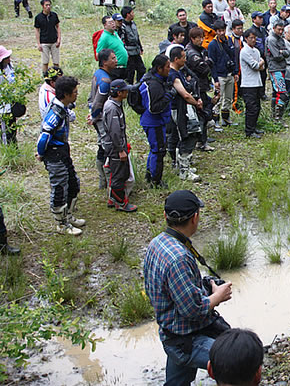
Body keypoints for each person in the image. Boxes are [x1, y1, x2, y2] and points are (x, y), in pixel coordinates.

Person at [143, 190, 234, 386]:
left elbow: (168, 290)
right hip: (186, 339)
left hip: (171, 331)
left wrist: (205, 286)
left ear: (165, 216)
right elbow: (193, 310)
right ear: (195, 217)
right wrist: (217, 296)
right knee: (235, 362)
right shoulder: (179, 257)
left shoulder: (157, 243)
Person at [36, 76, 86, 236]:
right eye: (74, 92)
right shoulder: (55, 113)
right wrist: (41, 153)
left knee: (73, 182)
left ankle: (69, 216)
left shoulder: (63, 107)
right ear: (65, 94)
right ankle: (61, 224)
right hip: (54, 154)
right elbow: (44, 136)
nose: (77, 94)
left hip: (63, 150)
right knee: (59, 187)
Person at [167, 46, 203, 182]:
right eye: (183, 57)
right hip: (180, 110)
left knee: (180, 137)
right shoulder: (173, 75)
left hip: (183, 109)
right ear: (176, 59)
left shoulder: (179, 72)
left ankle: (181, 166)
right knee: (189, 137)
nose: (185, 59)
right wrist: (196, 103)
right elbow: (185, 95)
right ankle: (184, 170)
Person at [102, 79, 137, 212]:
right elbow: (115, 132)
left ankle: (113, 198)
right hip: (115, 147)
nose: (127, 92)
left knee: (118, 172)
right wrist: (120, 150)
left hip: (114, 146)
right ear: (119, 92)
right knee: (119, 174)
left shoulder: (114, 104)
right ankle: (121, 203)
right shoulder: (112, 108)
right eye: (125, 90)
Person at [139, 55, 173, 188]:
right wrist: (169, 96)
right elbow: (154, 108)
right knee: (158, 151)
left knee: (155, 149)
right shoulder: (154, 85)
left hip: (154, 122)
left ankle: (150, 175)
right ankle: (155, 181)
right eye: (167, 67)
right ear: (159, 68)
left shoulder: (155, 79)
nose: (169, 69)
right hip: (154, 122)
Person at [88, 48, 116, 188]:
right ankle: (106, 177)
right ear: (104, 62)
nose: (115, 61)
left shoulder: (98, 74)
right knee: (106, 146)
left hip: (97, 115)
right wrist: (94, 115)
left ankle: (103, 180)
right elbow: (98, 101)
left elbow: (91, 97)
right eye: (112, 58)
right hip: (101, 118)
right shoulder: (105, 80)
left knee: (101, 146)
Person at [185, 27, 216, 152]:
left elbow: (208, 64)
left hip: (202, 85)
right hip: (196, 87)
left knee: (205, 109)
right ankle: (201, 142)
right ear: (192, 39)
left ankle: (202, 139)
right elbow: (203, 69)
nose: (201, 40)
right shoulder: (191, 52)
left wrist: (207, 62)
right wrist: (207, 62)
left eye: (202, 37)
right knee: (202, 113)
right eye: (198, 38)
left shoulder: (200, 50)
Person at [208, 20, 238, 128]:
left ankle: (226, 118)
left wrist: (235, 72)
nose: (221, 33)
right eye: (219, 31)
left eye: (223, 30)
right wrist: (215, 80)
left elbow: (233, 56)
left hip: (229, 73)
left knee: (228, 98)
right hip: (219, 75)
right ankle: (215, 120)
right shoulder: (212, 45)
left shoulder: (229, 40)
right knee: (218, 98)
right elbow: (212, 63)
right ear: (215, 32)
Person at [241, 28, 265, 138]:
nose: (253, 40)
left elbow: (261, 67)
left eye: (255, 38)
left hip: (257, 82)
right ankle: (249, 131)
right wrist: (260, 62)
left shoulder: (256, 51)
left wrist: (260, 63)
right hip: (248, 84)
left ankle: (254, 127)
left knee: (257, 107)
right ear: (246, 39)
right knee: (251, 108)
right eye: (251, 38)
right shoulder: (244, 51)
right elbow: (255, 65)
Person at [0, 46, 27, 145]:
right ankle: (7, 150)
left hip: (10, 104)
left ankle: (13, 147)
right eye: (6, 57)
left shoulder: (9, 67)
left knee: (12, 128)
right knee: (5, 131)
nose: (9, 59)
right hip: (3, 107)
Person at [266, 21, 290, 124]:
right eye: (279, 29)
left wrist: (283, 52)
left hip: (281, 67)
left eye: (282, 30)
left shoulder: (280, 39)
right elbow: (276, 56)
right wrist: (282, 53)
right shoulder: (271, 39)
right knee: (283, 93)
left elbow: (287, 52)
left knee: (277, 93)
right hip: (275, 68)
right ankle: (277, 117)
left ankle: (275, 115)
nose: (280, 31)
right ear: (274, 28)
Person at [96, 15, 128, 80]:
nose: (113, 24)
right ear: (105, 25)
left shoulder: (115, 34)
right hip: (114, 69)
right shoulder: (104, 38)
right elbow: (98, 54)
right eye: (110, 23)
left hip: (123, 67)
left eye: (113, 22)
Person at [34, 0, 61, 73]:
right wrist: (38, 43)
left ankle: (57, 76)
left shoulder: (54, 15)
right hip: (44, 42)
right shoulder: (38, 17)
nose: (48, 7)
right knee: (45, 62)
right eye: (46, 5)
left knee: (56, 61)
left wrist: (59, 39)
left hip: (54, 41)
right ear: (43, 6)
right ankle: (45, 77)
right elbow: (37, 30)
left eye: (49, 5)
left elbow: (58, 26)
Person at [120, 6, 144, 84]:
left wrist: (140, 47)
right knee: (130, 72)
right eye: (132, 13)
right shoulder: (122, 26)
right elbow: (122, 41)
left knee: (142, 69)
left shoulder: (133, 24)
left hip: (136, 51)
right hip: (129, 53)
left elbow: (137, 36)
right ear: (128, 14)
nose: (133, 14)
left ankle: (139, 85)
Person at [250, 12, 269, 96]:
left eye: (262, 17)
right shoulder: (251, 31)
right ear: (254, 19)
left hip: (265, 56)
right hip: (256, 57)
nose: (261, 19)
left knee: (264, 75)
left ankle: (262, 93)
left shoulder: (263, 30)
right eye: (259, 18)